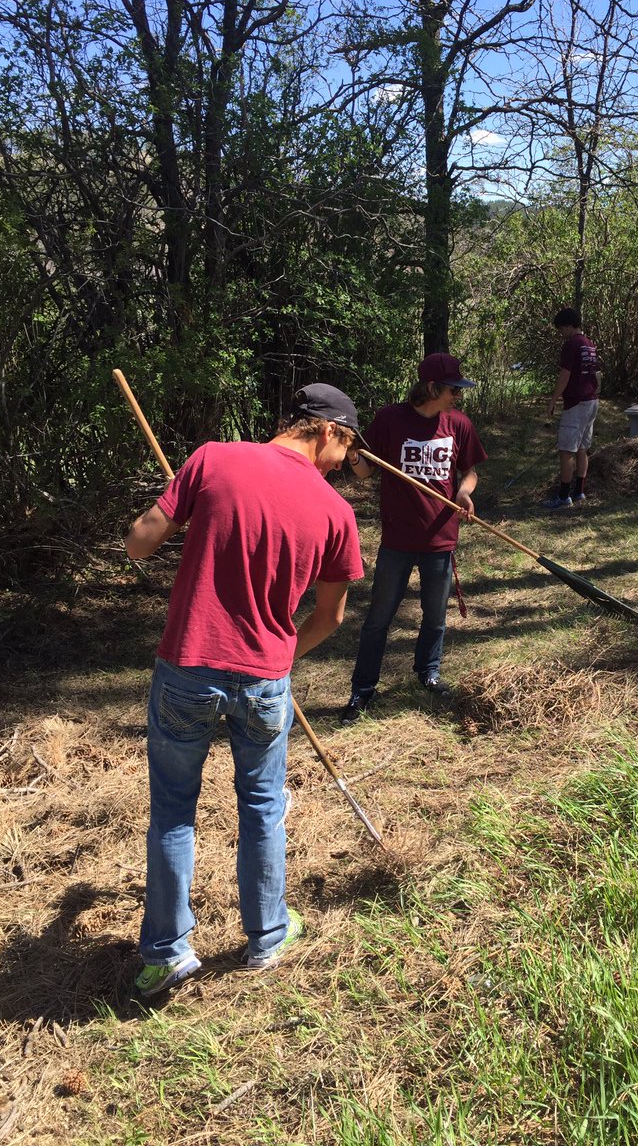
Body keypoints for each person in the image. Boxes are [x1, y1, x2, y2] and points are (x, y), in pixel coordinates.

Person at [124, 384, 364, 997]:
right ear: (326, 429)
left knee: (173, 811)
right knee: (261, 806)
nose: (344, 462)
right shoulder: (335, 512)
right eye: (346, 447)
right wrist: (280, 659)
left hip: (186, 670)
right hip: (263, 681)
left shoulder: (214, 459)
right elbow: (331, 617)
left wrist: (166, 528)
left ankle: (167, 953)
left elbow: (140, 539)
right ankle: (268, 936)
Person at [340, 353, 487, 724]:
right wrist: (356, 456)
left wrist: (464, 492)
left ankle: (428, 673)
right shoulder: (391, 419)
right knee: (379, 617)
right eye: (453, 389)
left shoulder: (459, 423)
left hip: (441, 537)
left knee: (435, 616)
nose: (457, 396)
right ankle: (362, 689)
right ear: (432, 388)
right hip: (398, 539)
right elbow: (365, 473)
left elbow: (469, 471)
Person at [544, 307, 602, 510]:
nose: (561, 334)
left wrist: (552, 401)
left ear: (568, 325)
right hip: (591, 401)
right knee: (582, 448)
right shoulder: (590, 344)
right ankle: (579, 491)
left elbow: (565, 376)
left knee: (566, 450)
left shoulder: (572, 345)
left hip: (577, 404)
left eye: (561, 329)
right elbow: (596, 375)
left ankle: (563, 496)